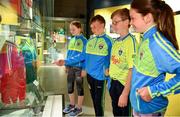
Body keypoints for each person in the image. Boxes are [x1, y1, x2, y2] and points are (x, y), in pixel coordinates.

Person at [129, 0, 180, 116]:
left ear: (147, 18)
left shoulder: (157, 44)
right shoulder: (145, 39)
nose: (130, 22)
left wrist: (153, 91)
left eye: (133, 18)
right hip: (138, 108)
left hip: (151, 111)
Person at [109, 8, 137, 116]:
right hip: (114, 84)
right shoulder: (116, 42)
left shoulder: (131, 42)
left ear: (127, 22)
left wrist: (125, 94)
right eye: (112, 23)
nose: (113, 25)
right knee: (116, 113)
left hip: (124, 86)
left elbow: (132, 69)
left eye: (116, 22)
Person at [55, 21, 87, 116]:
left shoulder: (85, 41)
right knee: (70, 87)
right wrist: (66, 65)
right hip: (70, 67)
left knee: (79, 88)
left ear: (80, 28)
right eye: (70, 29)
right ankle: (72, 105)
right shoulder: (72, 40)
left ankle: (79, 108)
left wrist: (84, 69)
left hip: (79, 68)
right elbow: (68, 54)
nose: (71, 31)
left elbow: (85, 57)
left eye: (73, 29)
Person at [85, 15, 113, 116]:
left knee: (99, 102)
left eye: (95, 27)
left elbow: (112, 59)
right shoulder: (90, 41)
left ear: (102, 25)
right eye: (91, 27)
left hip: (100, 77)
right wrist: (85, 68)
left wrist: (108, 69)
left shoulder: (109, 41)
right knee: (94, 100)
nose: (93, 30)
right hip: (89, 76)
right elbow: (85, 57)